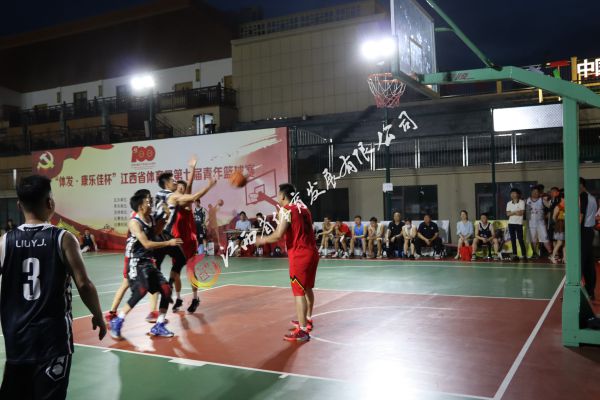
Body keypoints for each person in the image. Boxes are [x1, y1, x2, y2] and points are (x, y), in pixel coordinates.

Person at [0, 175, 106, 399]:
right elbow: (84, 284)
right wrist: (98, 315)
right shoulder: (63, 238)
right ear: (50, 203)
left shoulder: (5, 241)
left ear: (19, 205)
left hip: (17, 340)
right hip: (53, 341)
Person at [110, 192, 184, 339]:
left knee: (166, 290)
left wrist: (166, 217)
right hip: (135, 261)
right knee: (141, 290)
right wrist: (168, 242)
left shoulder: (150, 218)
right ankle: (118, 320)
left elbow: (155, 233)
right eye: (148, 202)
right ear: (140, 207)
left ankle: (159, 325)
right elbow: (147, 243)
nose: (150, 204)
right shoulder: (134, 222)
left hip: (148, 261)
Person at [255, 183, 319, 341]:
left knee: (298, 292)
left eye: (279, 194)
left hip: (299, 255)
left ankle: (302, 331)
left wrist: (262, 240)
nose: (278, 197)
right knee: (307, 287)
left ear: (283, 196)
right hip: (312, 252)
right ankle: (307, 319)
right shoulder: (304, 209)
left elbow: (278, 235)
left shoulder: (286, 210)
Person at [153, 162, 216, 317]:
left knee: (190, 270)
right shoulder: (172, 200)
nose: (181, 189)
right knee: (175, 272)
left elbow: (190, 185)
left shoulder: (186, 203)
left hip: (189, 241)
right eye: (179, 187)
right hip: (176, 240)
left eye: (183, 188)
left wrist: (192, 169)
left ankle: (195, 298)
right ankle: (178, 298)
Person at [105, 189, 153, 323]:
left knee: (151, 283)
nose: (150, 201)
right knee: (126, 284)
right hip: (133, 257)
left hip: (143, 256)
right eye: (148, 198)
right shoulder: (137, 217)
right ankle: (112, 313)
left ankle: (153, 312)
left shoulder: (147, 216)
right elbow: (144, 240)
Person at [580, 177, 598, 300]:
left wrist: (573, 233)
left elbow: (581, 216)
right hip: (589, 231)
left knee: (580, 262)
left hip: (583, 231)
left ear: (581, 185)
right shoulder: (592, 197)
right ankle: (590, 291)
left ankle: (576, 292)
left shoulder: (583, 197)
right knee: (588, 263)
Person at [526, 186, 552, 258]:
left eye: (536, 192)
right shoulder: (528, 200)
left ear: (539, 193)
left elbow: (550, 207)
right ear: (531, 192)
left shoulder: (542, 200)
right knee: (533, 239)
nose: (535, 193)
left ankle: (551, 253)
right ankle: (534, 253)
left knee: (545, 238)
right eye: (533, 192)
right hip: (531, 224)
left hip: (541, 223)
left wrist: (548, 215)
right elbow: (527, 212)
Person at [506, 188, 527, 261]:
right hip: (511, 223)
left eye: (514, 193)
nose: (512, 195)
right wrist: (515, 212)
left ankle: (524, 255)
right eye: (511, 193)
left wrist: (512, 212)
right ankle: (515, 255)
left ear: (518, 194)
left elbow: (521, 213)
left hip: (518, 223)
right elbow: (507, 214)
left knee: (520, 239)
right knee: (513, 239)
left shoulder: (522, 202)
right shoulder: (509, 203)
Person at [550, 195, 565, 264]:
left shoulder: (568, 206)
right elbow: (553, 217)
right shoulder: (558, 206)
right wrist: (558, 223)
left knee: (565, 243)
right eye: (564, 198)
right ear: (561, 198)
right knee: (560, 242)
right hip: (560, 226)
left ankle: (565, 258)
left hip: (565, 225)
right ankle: (553, 256)